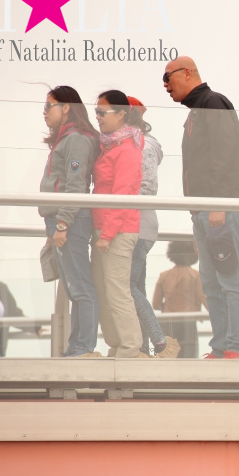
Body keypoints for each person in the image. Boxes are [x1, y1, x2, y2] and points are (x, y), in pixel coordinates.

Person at [163, 56, 239, 359]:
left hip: (220, 209)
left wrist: (219, 204)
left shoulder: (213, 103)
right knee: (212, 283)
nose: (165, 86)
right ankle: (221, 346)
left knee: (230, 277)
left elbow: (224, 154)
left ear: (187, 73)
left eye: (168, 78)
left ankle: (237, 347)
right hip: (204, 210)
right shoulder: (196, 112)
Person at [39, 85, 101, 358]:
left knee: (80, 287)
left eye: (49, 105)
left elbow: (76, 185)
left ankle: (83, 347)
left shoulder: (76, 138)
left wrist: (63, 223)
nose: (44, 112)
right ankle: (77, 347)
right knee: (74, 286)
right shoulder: (65, 139)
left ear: (66, 108)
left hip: (70, 220)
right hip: (60, 219)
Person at [125, 96, 179, 358]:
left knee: (126, 286)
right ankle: (143, 348)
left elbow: (145, 187)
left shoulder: (141, 145)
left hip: (135, 225)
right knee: (138, 288)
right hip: (141, 225)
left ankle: (159, 342)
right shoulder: (142, 143)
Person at [92, 89, 144, 358]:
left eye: (102, 112)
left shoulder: (127, 149)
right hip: (105, 228)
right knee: (103, 290)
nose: (98, 117)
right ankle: (116, 344)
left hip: (118, 231)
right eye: (96, 112)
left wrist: (108, 234)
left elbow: (123, 194)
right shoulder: (110, 145)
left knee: (117, 291)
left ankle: (130, 347)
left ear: (122, 115)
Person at [153, 241, 207, 359]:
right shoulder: (196, 275)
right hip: (188, 323)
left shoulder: (164, 276)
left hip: (168, 322)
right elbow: (205, 300)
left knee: (168, 356)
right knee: (189, 358)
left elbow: (155, 304)